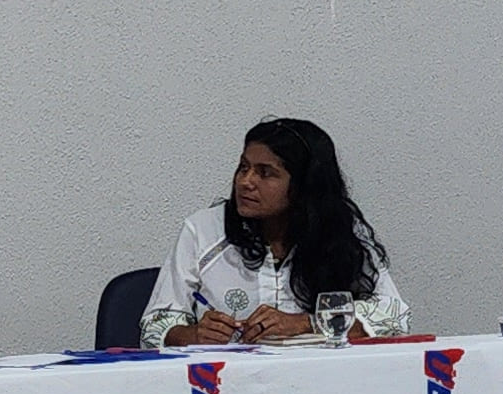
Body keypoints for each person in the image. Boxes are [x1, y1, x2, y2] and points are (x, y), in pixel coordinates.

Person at [154, 118, 409, 345]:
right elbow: (155, 326)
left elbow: (395, 317)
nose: (246, 181)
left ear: (304, 185)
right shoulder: (203, 230)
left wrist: (306, 324)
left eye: (265, 173)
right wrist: (194, 334)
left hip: (320, 376)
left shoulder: (338, 230)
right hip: (229, 378)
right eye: (243, 167)